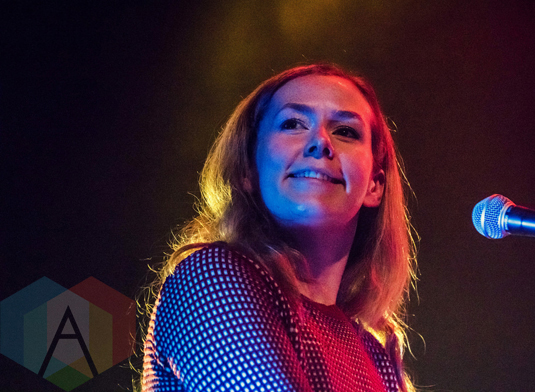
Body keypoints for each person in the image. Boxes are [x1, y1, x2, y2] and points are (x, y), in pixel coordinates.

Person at [142, 63, 417, 392]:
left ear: (375, 185)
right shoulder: (209, 278)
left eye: (346, 131)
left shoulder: (374, 353)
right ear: (248, 169)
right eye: (292, 124)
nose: (320, 142)